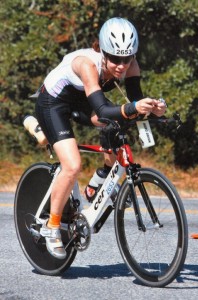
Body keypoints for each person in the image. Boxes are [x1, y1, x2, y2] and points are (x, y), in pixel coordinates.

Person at [35, 17, 166, 260]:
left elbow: (133, 106)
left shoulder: (131, 65)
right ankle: (51, 226)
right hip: (54, 103)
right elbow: (104, 110)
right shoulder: (87, 64)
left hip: (86, 100)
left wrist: (153, 108)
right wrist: (133, 107)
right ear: (103, 51)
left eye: (127, 58)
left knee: (117, 125)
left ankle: (98, 183)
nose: (121, 65)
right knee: (73, 165)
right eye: (115, 58)